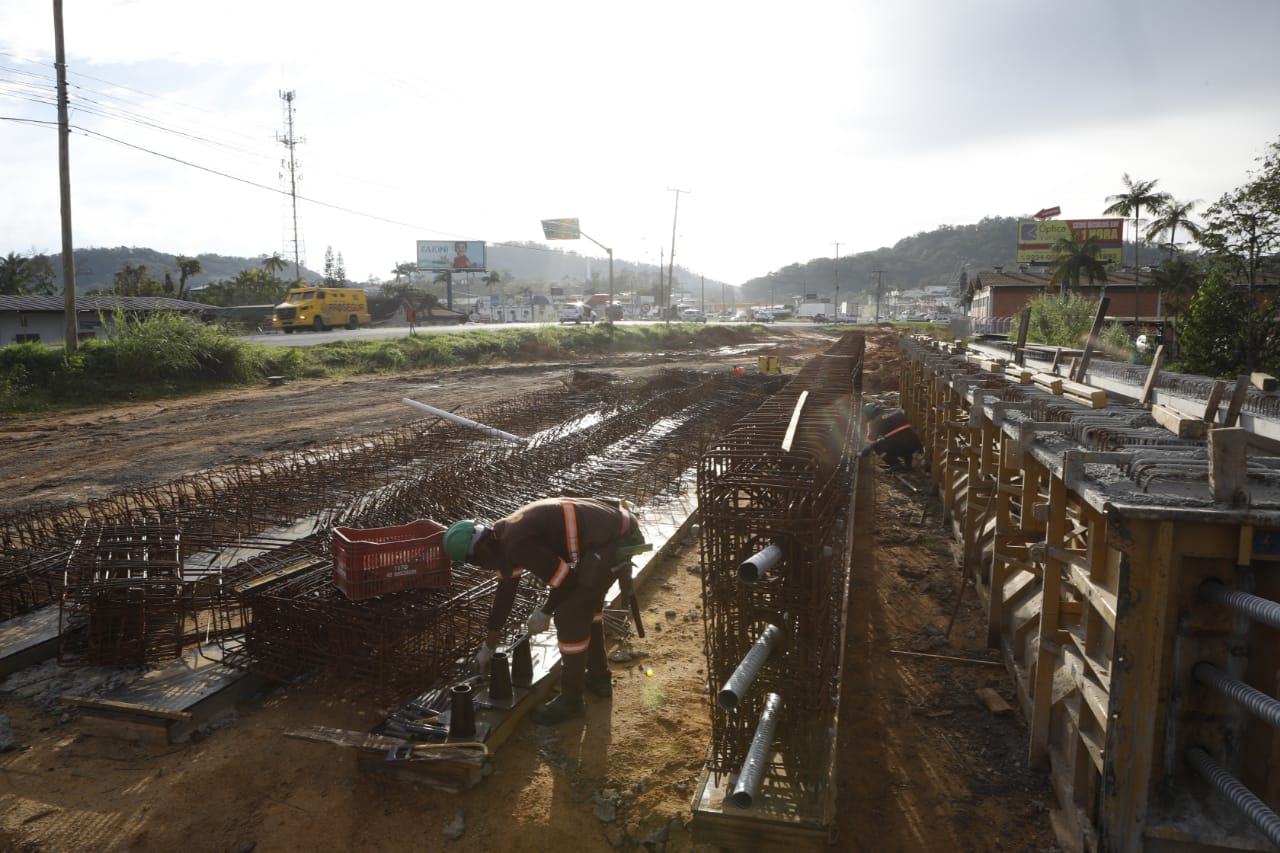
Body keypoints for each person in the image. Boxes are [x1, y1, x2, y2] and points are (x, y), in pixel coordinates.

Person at [443, 497, 646, 725]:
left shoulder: (516, 543)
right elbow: (504, 596)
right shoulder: (503, 538)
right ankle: (598, 677)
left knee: (569, 615)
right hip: (611, 530)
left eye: (476, 561)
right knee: (587, 607)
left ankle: (571, 702)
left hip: (614, 538)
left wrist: (545, 612)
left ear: (481, 548)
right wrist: (488, 647)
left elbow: (566, 581)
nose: (480, 567)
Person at [859, 401, 923, 472]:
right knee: (902, 438)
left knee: (876, 446)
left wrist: (863, 452)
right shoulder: (896, 411)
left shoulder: (877, 421)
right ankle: (908, 465)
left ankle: (895, 464)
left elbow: (870, 441)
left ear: (871, 414)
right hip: (915, 443)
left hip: (901, 446)